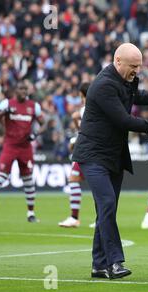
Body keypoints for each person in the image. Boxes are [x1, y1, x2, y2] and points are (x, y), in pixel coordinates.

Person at [72, 43, 148, 280]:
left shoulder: (126, 80)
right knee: (106, 204)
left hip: (113, 156)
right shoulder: (104, 85)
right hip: (93, 155)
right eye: (133, 66)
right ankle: (115, 262)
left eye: (139, 66)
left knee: (106, 209)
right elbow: (123, 120)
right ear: (118, 62)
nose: (137, 70)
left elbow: (140, 96)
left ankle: (98, 265)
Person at [0, 81, 44, 223]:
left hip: (26, 148)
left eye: (26, 89)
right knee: (1, 177)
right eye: (21, 89)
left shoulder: (34, 106)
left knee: (28, 180)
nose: (24, 92)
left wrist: (35, 134)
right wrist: (4, 112)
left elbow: (43, 123)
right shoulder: (7, 104)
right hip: (10, 146)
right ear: (16, 90)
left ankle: (31, 213)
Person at [58, 82, 90, 228]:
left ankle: (74, 217)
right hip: (94, 148)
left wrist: (78, 135)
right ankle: (77, 218)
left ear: (82, 96)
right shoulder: (101, 105)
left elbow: (74, 115)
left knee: (74, 179)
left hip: (88, 150)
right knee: (75, 178)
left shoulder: (88, 108)